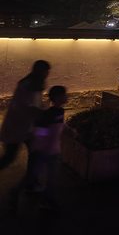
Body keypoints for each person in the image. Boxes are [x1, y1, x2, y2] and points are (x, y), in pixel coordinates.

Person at [10, 85, 68, 214]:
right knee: (34, 177)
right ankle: (15, 192)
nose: (66, 96)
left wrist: (69, 130)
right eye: (64, 94)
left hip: (53, 151)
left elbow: (60, 125)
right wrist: (39, 148)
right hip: (44, 152)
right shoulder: (48, 114)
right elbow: (40, 132)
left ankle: (47, 202)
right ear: (57, 97)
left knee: (50, 179)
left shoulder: (60, 111)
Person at [0, 60, 50, 171]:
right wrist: (45, 114)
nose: (47, 74)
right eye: (46, 71)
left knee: (34, 153)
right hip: (16, 126)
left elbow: (36, 103)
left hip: (27, 127)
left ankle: (31, 178)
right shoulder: (27, 85)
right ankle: (31, 178)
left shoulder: (36, 84)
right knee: (9, 157)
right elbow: (28, 107)